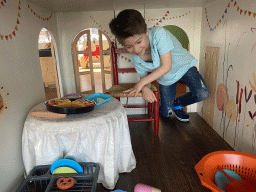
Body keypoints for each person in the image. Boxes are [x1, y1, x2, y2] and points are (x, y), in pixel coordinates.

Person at [109, 9, 209, 122]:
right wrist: (145, 88)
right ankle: (171, 106)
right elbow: (144, 77)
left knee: (202, 93)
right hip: (166, 78)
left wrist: (141, 84)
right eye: (128, 47)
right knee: (166, 113)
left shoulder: (159, 34)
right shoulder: (136, 58)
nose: (136, 50)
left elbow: (166, 66)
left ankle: (178, 103)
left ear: (146, 30)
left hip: (184, 67)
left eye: (138, 42)